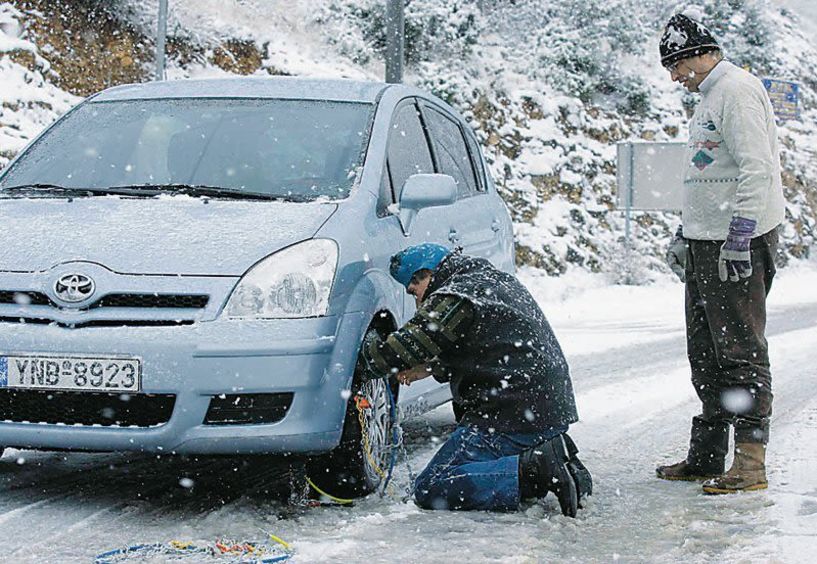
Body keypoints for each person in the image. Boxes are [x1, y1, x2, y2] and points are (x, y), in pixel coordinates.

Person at [358, 243, 592, 516]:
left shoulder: (453, 295)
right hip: (544, 409)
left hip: (508, 414)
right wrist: (432, 366)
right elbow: (488, 344)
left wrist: (368, 343)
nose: (417, 301)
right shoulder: (488, 280)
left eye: (414, 291)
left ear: (425, 274)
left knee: (432, 487)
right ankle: (561, 460)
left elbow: (399, 350)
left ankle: (536, 468)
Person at [657, 12, 785, 494]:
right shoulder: (710, 96)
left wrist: (740, 235)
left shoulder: (735, 90)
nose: (674, 77)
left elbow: (757, 168)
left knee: (739, 350)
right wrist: (685, 229)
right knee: (706, 350)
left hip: (736, 243)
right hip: (705, 241)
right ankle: (708, 453)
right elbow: (710, 172)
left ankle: (750, 463)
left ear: (699, 54)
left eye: (676, 65)